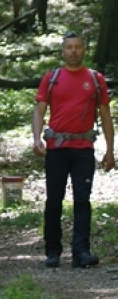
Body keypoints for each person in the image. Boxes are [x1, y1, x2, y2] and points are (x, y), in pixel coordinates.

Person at [33, 31, 115, 269]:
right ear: (63, 51)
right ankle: (52, 251)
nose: (73, 51)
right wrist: (37, 138)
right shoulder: (52, 78)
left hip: (84, 149)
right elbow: (39, 110)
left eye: (78, 47)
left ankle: (81, 252)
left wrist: (110, 150)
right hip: (57, 148)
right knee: (54, 199)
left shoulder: (95, 79)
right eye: (69, 47)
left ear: (84, 50)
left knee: (82, 199)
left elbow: (105, 116)